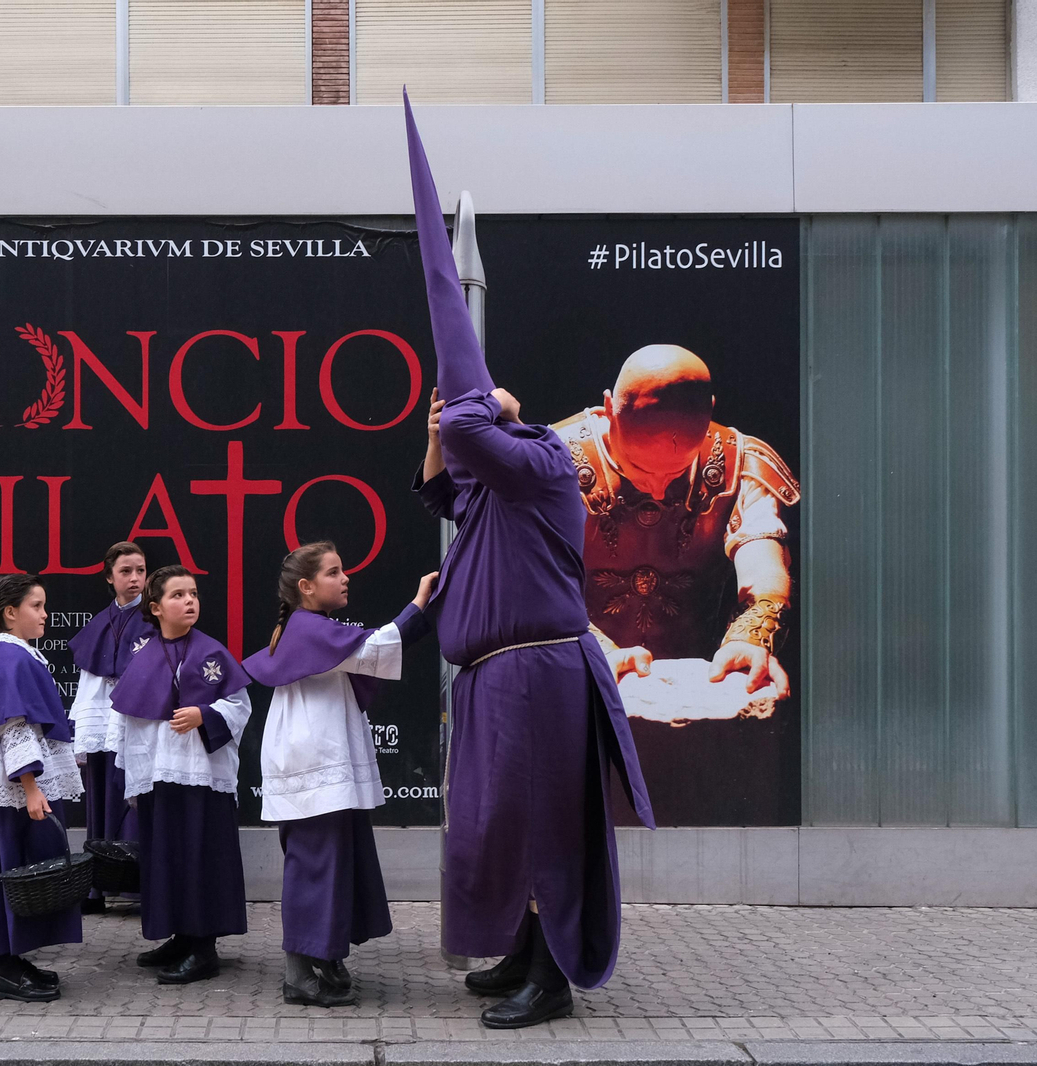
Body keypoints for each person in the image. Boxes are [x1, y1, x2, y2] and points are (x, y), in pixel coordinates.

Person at [403, 94, 654, 1029]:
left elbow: (481, 436)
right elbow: (442, 488)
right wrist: (439, 428)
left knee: (543, 827)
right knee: (502, 830)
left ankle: (550, 980)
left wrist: (489, 403)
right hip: (494, 678)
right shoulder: (493, 494)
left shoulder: (544, 464)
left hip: (539, 673)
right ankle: (517, 953)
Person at [242, 542, 437, 1007]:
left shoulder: (308, 626)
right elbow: (377, 649)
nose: (345, 578)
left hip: (319, 756)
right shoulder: (309, 627)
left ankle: (325, 957)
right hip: (314, 760)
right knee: (315, 865)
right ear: (306, 587)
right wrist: (419, 602)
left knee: (332, 861)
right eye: (333, 572)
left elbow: (367, 656)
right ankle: (298, 974)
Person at [550, 345, 799, 692]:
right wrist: (594, 651)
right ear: (609, 409)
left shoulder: (740, 463)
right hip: (572, 676)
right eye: (640, 468)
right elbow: (532, 582)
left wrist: (750, 638)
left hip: (698, 681)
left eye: (677, 471)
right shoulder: (551, 461)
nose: (657, 491)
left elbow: (764, 572)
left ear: (709, 412)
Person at [109, 565, 252, 985]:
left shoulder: (212, 652)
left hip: (202, 778)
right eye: (178, 595)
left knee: (200, 857)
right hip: (159, 778)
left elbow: (240, 707)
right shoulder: (143, 656)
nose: (189, 601)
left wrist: (204, 714)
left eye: (193, 593)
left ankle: (203, 946)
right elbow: (129, 719)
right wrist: (131, 773)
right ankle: (180, 936)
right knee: (166, 858)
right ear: (155, 608)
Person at [0, 573, 85, 1002]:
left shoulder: (16, 654)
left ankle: (12, 957)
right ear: (10, 613)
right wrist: (30, 787)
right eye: (37, 606)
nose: (45, 615)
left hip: (17, 787)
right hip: (13, 791)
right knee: (9, 866)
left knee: (18, 866)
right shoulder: (11, 658)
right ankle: (4, 966)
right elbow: (14, 724)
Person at [66, 540, 153, 913]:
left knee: (135, 800)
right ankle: (97, 887)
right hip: (102, 726)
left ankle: (139, 886)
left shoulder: (155, 618)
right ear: (109, 577)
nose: (135, 578)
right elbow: (89, 683)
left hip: (137, 721)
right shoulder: (98, 623)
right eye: (125, 571)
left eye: (140, 571)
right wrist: (83, 728)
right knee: (100, 801)